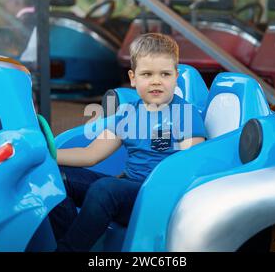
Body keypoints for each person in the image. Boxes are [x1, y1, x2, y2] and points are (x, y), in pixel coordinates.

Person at [49, 33, 207, 252]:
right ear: (133, 78)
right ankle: (71, 241)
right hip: (129, 190)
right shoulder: (128, 113)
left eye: (165, 74)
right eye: (147, 74)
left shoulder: (185, 114)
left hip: (160, 195)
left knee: (106, 189)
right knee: (55, 176)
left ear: (176, 76)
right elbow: (91, 154)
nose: (156, 81)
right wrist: (49, 155)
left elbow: (190, 162)